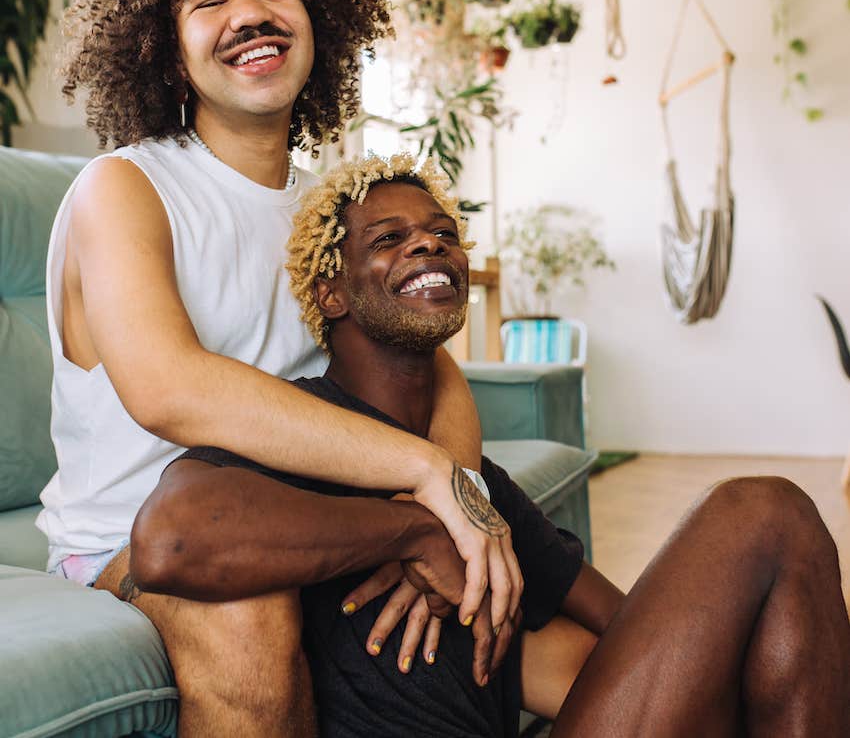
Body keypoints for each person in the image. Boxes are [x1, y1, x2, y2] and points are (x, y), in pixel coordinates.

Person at [41, 0, 521, 736]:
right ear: (164, 42)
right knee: (249, 612)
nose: (249, 14)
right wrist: (420, 476)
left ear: (317, 15)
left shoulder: (329, 206)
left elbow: (432, 365)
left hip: (303, 513)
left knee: (525, 624)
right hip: (137, 539)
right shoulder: (124, 190)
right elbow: (169, 389)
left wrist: (454, 495)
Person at [129, 153, 850, 737]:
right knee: (764, 508)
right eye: (388, 239)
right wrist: (412, 532)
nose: (429, 243)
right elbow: (170, 542)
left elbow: (637, 633)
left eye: (444, 232)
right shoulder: (306, 438)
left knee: (777, 534)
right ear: (332, 294)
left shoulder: (474, 488)